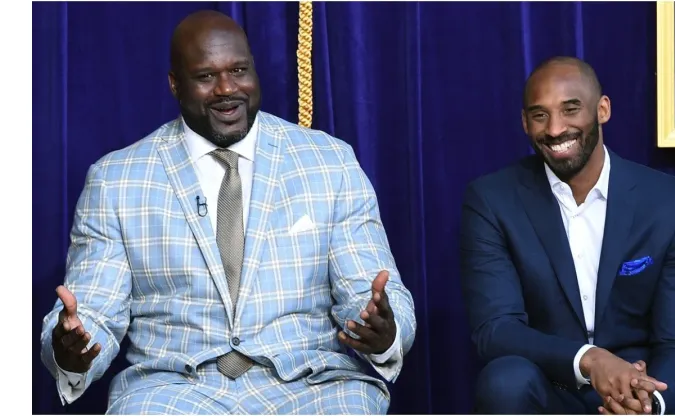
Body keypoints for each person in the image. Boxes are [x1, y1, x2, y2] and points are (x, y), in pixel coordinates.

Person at [39, 10, 416, 415]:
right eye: (205, 77)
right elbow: (93, 311)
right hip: (173, 390)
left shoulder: (329, 162)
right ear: (174, 85)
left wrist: (383, 330)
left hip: (314, 384)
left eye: (239, 70)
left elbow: (371, 291)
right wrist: (72, 348)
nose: (226, 89)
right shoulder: (117, 180)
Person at [459, 56, 675, 415]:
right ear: (525, 122)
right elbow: (495, 329)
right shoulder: (491, 200)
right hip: (551, 384)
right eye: (540, 115)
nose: (555, 129)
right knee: (504, 381)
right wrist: (588, 359)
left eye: (570, 109)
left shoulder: (673, 202)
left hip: (643, 383)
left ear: (602, 109)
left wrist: (647, 401)